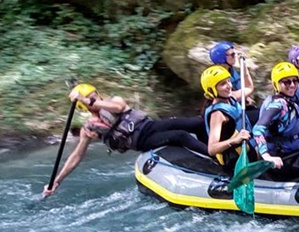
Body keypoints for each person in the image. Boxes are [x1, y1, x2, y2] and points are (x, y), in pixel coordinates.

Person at [44, 83, 208, 196]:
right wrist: (56, 181)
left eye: (96, 96)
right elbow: (76, 156)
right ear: (84, 108)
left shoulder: (114, 101)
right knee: (180, 136)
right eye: (91, 99)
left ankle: (215, 148)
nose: (96, 100)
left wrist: (86, 98)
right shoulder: (89, 129)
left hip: (149, 127)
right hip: (141, 141)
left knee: (196, 123)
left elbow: (118, 108)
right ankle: (211, 155)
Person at [252, 62, 299, 176]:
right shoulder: (278, 105)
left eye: (295, 81)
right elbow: (257, 129)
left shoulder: (287, 101)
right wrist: (267, 156)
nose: (292, 85)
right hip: (284, 160)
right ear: (277, 84)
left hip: (293, 154)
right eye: (286, 82)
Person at [201, 65, 254, 174]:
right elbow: (212, 149)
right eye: (222, 84)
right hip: (236, 162)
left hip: (248, 151)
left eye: (228, 81)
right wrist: (234, 140)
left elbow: (249, 87)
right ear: (212, 90)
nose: (229, 86)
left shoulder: (231, 97)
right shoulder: (217, 114)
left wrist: (244, 68)